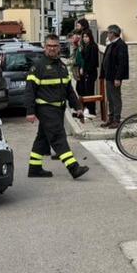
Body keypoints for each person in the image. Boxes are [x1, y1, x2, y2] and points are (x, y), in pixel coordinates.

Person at [25, 33, 90, 179]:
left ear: (59, 47)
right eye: (49, 46)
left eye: (55, 46)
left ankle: (34, 168)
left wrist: (78, 107)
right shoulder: (38, 66)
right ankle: (73, 168)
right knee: (58, 137)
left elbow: (69, 90)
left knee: (42, 138)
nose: (52, 48)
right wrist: (30, 112)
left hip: (58, 109)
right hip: (45, 108)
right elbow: (30, 91)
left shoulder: (61, 66)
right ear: (44, 47)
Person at [99, 24, 129, 129]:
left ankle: (116, 120)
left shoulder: (121, 45)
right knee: (110, 98)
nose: (107, 34)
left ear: (113, 33)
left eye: (109, 32)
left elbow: (122, 63)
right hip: (108, 76)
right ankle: (110, 118)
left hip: (115, 77)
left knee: (116, 98)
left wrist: (118, 78)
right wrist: (102, 74)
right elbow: (105, 60)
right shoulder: (110, 45)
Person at [76, 24, 99, 117]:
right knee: (85, 91)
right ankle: (88, 110)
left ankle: (92, 111)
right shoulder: (85, 46)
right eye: (83, 37)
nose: (85, 38)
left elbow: (93, 62)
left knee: (90, 92)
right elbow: (83, 59)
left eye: (86, 36)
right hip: (86, 72)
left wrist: (86, 71)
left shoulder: (93, 46)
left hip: (90, 72)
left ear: (90, 37)